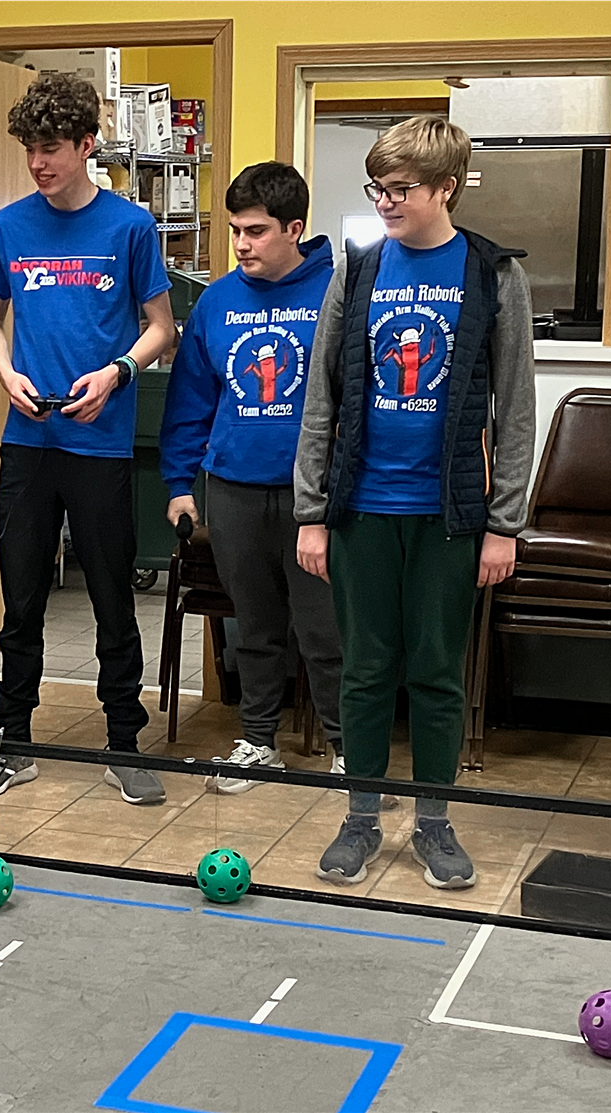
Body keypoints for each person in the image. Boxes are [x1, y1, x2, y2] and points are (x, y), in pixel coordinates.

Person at [293, 116, 536, 890]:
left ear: (446, 188)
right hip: (362, 510)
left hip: (449, 516)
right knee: (365, 670)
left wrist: (504, 525)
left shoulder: (493, 274)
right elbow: (322, 398)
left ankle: (434, 822)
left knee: (436, 673)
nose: (386, 202)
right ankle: (361, 816)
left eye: (401, 189)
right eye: (379, 188)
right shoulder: (358, 270)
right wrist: (311, 511)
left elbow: (516, 409)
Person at [0, 72, 175, 804]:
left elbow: (161, 327)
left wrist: (118, 373)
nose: (38, 162)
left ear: (87, 144)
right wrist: (7, 376)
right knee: (21, 599)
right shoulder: (7, 228)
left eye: (52, 148)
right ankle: (13, 738)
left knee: (112, 600)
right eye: (30, 149)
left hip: (100, 443)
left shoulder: (129, 227)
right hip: (29, 441)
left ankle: (124, 742)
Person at [158, 161, 344, 794]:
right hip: (233, 487)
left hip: (312, 494)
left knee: (325, 629)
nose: (241, 244)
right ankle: (259, 742)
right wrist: (179, 484)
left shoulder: (337, 294)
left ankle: (350, 750)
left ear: (294, 228)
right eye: (236, 230)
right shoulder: (217, 300)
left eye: (257, 231)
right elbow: (191, 400)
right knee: (255, 628)